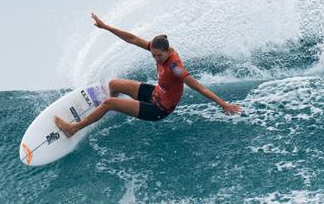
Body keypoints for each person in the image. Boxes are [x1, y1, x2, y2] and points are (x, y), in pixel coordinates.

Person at [54, 13, 243, 137]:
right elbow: (132, 38)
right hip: (155, 93)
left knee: (110, 103)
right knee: (113, 85)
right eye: (153, 55)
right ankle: (105, 110)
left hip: (159, 109)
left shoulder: (175, 68)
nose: (156, 59)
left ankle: (74, 128)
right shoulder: (158, 48)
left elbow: (198, 87)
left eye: (159, 56)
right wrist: (106, 27)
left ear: (168, 52)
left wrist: (223, 104)